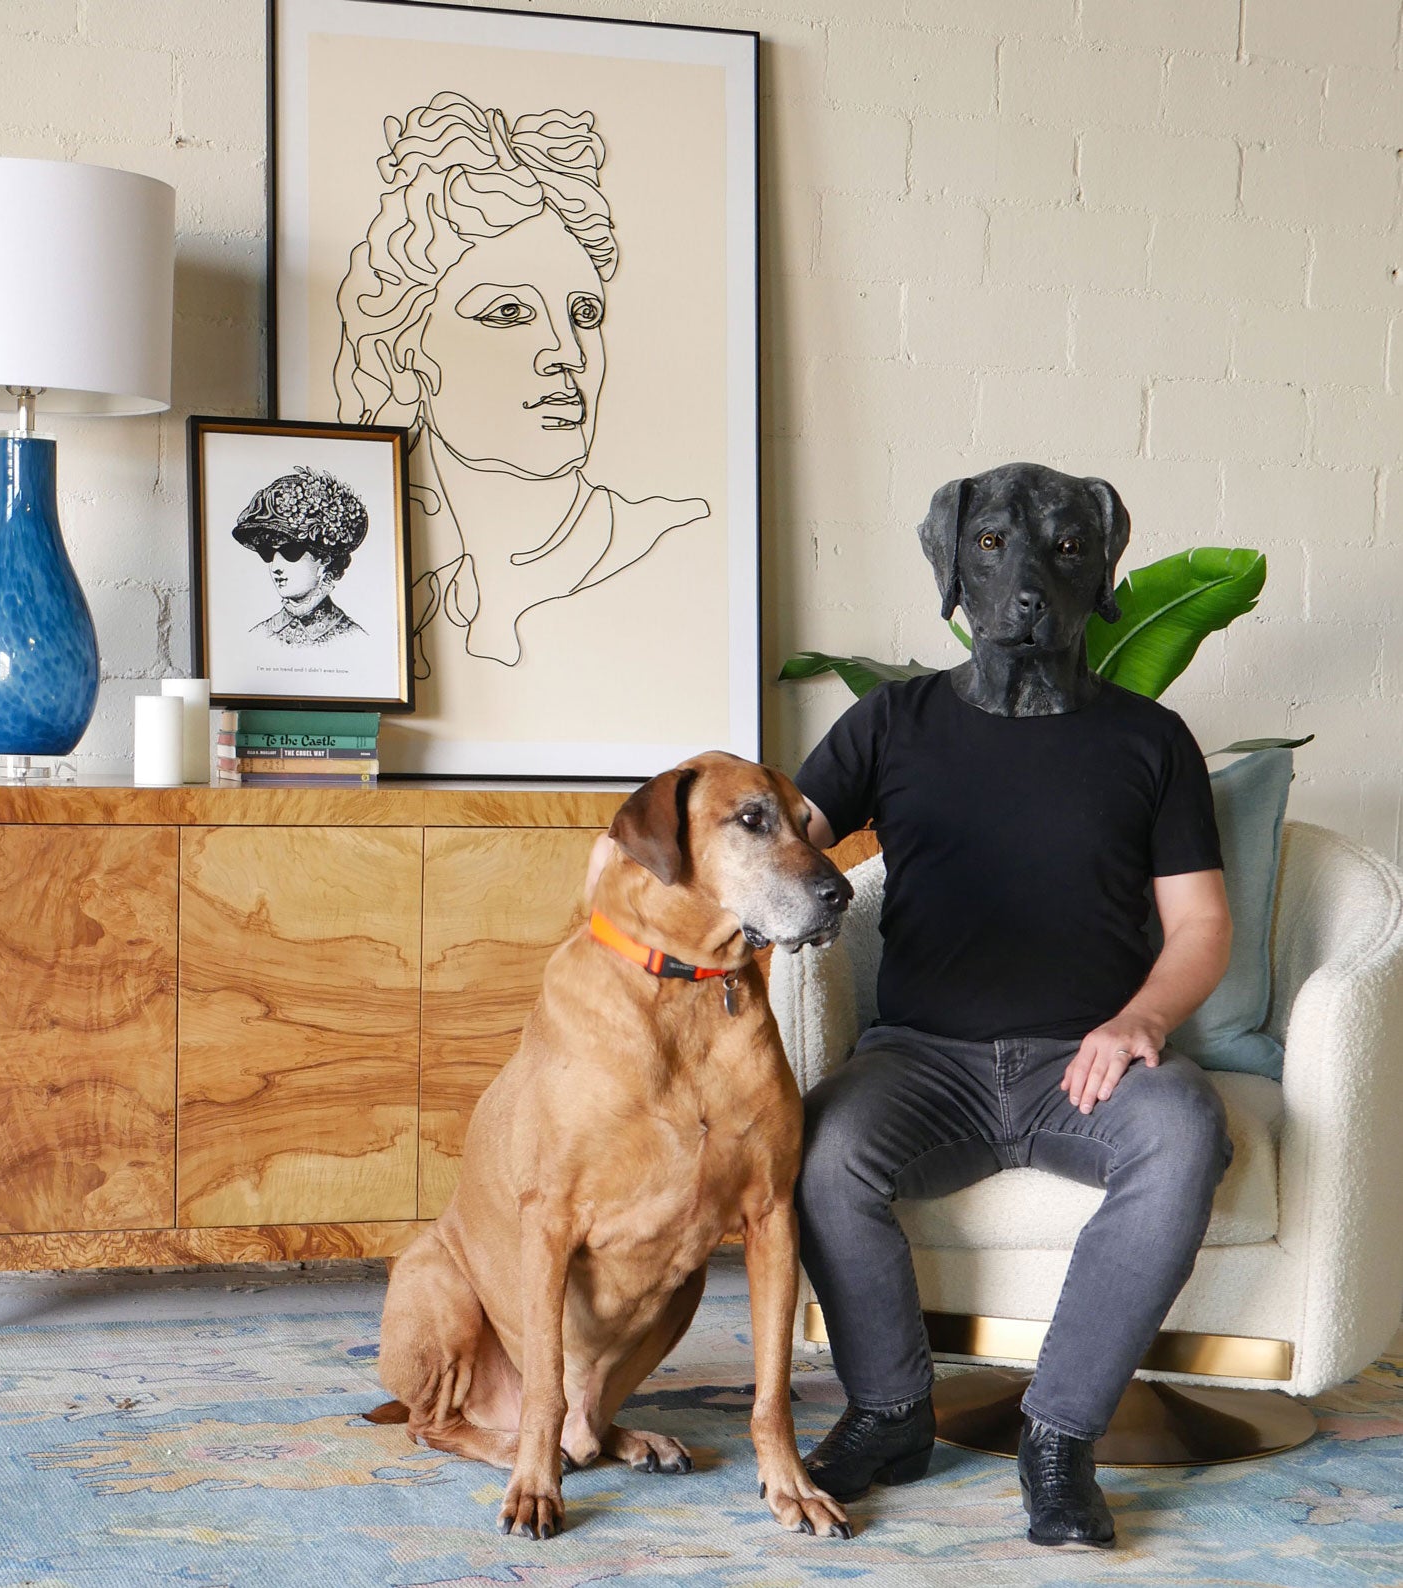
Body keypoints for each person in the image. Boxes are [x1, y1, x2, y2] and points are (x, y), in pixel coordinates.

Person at [790, 462, 1234, 1550]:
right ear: (951, 562)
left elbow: (1198, 925)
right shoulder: (890, 722)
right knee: (822, 1149)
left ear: (1102, 571)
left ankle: (1060, 1438)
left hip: (1084, 1066)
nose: (1028, 580)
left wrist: (1140, 1020)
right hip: (919, 1061)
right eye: (992, 546)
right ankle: (892, 1412)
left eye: (1064, 549)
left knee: (1184, 1130)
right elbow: (777, 845)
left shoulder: (1151, 741)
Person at [333, 91, 709, 677]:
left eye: (584, 313)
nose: (569, 353)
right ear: (404, 360)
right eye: (508, 313)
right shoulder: (380, 608)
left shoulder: (673, 546)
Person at [232, 465, 369, 647]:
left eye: (290, 552)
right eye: (267, 553)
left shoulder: (353, 638)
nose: (275, 567)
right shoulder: (259, 635)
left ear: (325, 558)